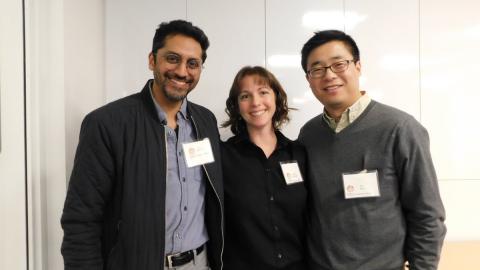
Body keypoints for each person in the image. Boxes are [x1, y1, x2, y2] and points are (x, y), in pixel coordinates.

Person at [61, 20, 223, 270]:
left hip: (201, 263)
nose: (182, 71)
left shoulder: (205, 121)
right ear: (152, 60)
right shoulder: (107, 124)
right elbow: (81, 219)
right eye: (172, 58)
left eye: (193, 64)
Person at [298, 30, 446, 270]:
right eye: (317, 69)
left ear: (358, 66)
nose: (329, 75)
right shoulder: (309, 135)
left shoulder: (400, 129)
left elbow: (427, 215)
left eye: (339, 64)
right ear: (309, 79)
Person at [221, 66, 308, 270]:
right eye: (245, 96)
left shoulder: (299, 154)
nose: (256, 103)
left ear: (276, 99)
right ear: (236, 106)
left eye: (263, 92)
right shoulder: (223, 156)